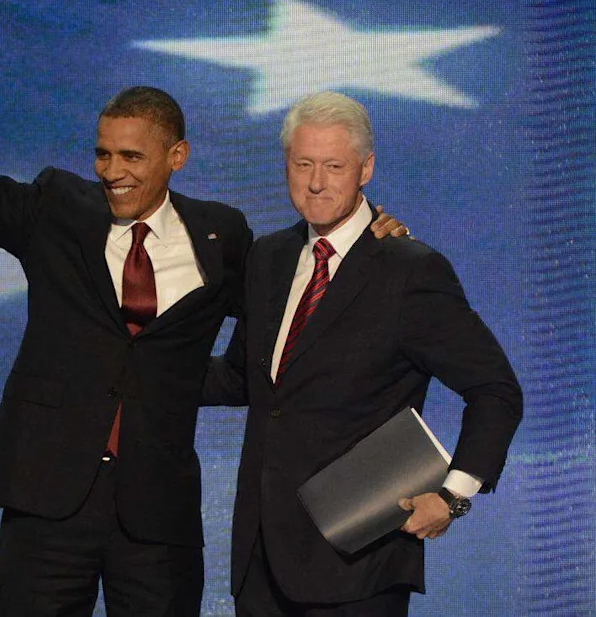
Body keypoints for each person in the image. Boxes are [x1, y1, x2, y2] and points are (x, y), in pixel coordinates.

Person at [0, 0, 404, 615]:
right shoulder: (58, 210)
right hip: (46, 497)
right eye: (103, 154)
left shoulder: (222, 236)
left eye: (131, 157)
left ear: (177, 157)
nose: (111, 172)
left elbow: (281, 328)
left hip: (156, 513)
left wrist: (369, 243)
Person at [203, 91, 523, 616]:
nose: (315, 182)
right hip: (262, 563)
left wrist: (452, 496)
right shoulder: (268, 257)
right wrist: (137, 365)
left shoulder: (409, 269)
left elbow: (495, 392)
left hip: (359, 561)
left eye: (333, 165)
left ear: (366, 168)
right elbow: (244, 379)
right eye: (302, 164)